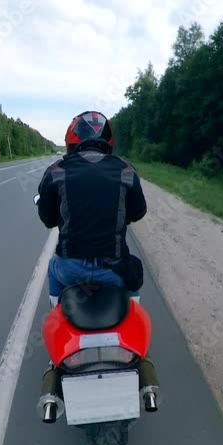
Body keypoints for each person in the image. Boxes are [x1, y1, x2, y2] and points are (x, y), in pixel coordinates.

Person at [36, 111, 147, 306]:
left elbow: (48, 219)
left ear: (71, 139)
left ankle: (56, 310)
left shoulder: (56, 171)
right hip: (114, 269)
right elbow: (138, 212)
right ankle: (134, 311)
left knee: (53, 266)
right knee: (133, 275)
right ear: (108, 140)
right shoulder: (126, 170)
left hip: (71, 269)